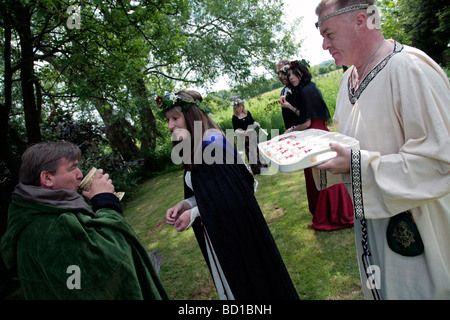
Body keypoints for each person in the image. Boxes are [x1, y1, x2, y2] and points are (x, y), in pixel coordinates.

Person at [314, 0, 450, 299]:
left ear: (360, 21)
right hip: (371, 224)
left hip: (420, 227)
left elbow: (441, 162)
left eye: (329, 34)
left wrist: (358, 164)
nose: (324, 45)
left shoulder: (409, 68)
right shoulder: (346, 81)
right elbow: (357, 140)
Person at [159, 90, 299, 300]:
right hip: (221, 233)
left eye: (175, 118)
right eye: (168, 120)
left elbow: (234, 196)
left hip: (236, 236)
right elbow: (211, 191)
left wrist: (195, 214)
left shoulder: (211, 146)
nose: (170, 126)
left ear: (192, 115)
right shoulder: (197, 145)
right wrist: (186, 204)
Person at [0, 142, 169, 300]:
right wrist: (106, 202)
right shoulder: (55, 226)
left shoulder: (32, 216)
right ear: (47, 178)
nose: (80, 174)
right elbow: (110, 261)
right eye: (72, 169)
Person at [279, 60, 354, 231]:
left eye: (294, 74)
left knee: (324, 177)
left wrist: (291, 130)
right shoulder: (308, 88)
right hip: (315, 132)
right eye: (289, 75)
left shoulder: (306, 91)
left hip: (315, 136)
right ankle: (327, 211)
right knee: (318, 176)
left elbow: (306, 123)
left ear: (302, 73)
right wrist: (290, 106)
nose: (291, 77)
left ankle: (334, 214)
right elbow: (306, 116)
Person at [232, 99, 264, 175]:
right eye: (239, 107)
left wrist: (256, 123)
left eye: (242, 106)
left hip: (253, 134)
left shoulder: (247, 113)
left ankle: (263, 167)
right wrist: (242, 132)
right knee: (250, 153)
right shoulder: (234, 117)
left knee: (257, 150)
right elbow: (235, 129)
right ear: (236, 108)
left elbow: (253, 121)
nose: (241, 108)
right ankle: (256, 170)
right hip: (244, 137)